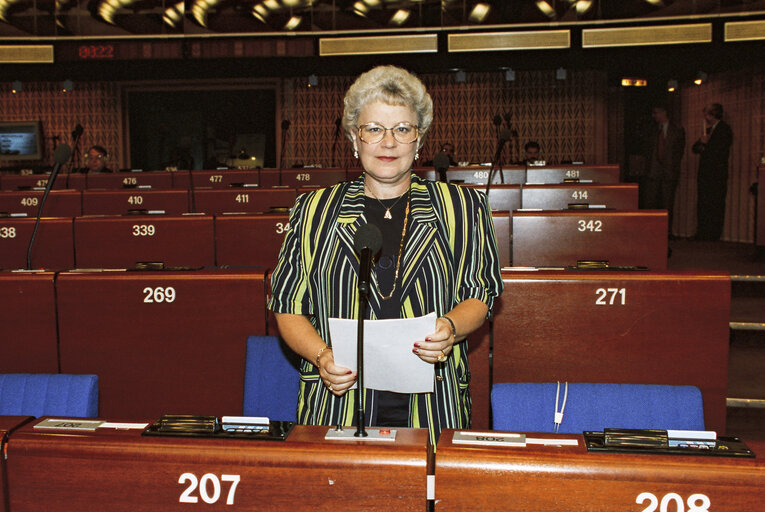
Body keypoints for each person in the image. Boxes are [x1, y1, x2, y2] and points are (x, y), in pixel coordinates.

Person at [268, 65, 504, 444]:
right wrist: (322, 357)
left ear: (419, 139)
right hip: (337, 401)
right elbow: (287, 305)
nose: (388, 143)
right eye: (374, 129)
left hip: (434, 400)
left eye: (402, 129)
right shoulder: (313, 210)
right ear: (354, 138)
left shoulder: (465, 207)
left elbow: (481, 293)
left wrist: (450, 328)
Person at [692, 103, 733, 240]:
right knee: (703, 202)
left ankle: (713, 234)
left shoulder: (724, 129)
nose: (705, 117)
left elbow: (719, 152)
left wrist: (705, 145)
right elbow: (695, 148)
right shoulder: (708, 130)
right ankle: (702, 232)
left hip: (717, 173)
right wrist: (702, 143)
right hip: (705, 173)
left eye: (707, 114)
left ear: (714, 115)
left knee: (715, 203)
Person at [644, 105, 685, 236]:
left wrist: (673, 168)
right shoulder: (651, 130)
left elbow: (679, 152)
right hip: (653, 171)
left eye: (656, 113)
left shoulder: (677, 130)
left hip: (669, 172)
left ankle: (666, 233)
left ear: (664, 113)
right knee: (650, 203)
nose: (654, 116)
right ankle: (650, 232)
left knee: (667, 204)